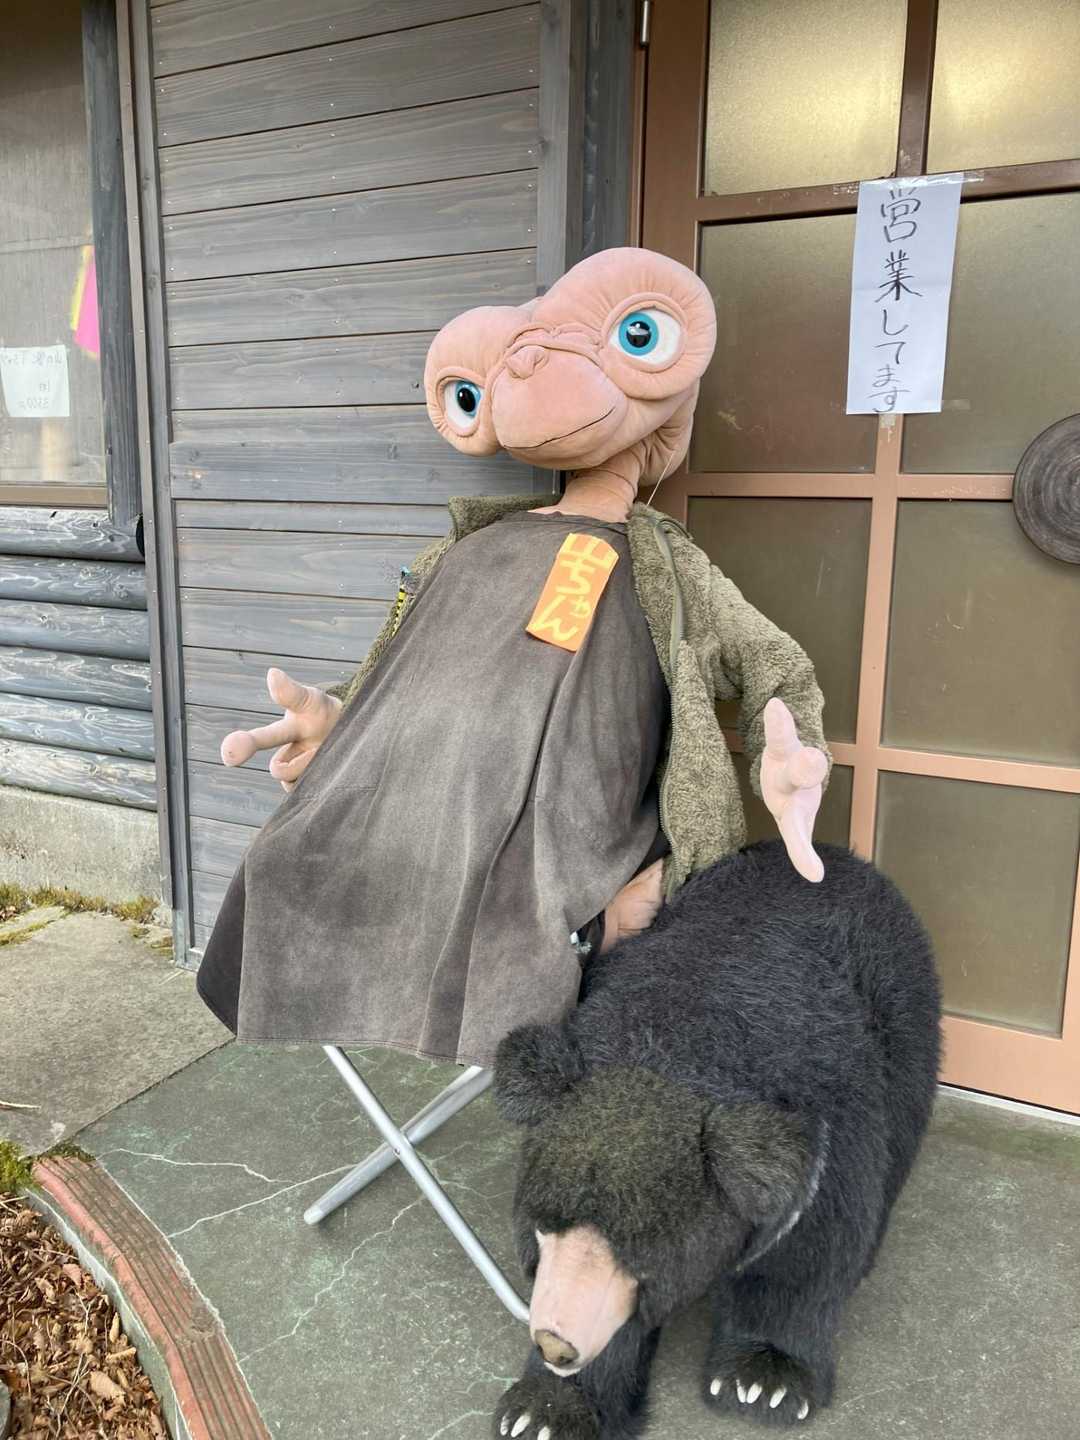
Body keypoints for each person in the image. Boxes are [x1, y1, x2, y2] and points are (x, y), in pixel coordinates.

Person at [194, 248, 830, 1069]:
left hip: (562, 827)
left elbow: (774, 662)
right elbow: (401, 662)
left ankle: (604, 918)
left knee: (526, 909)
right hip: (412, 803)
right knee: (285, 860)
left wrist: (793, 755)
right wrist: (341, 716)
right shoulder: (465, 547)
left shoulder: (669, 567)